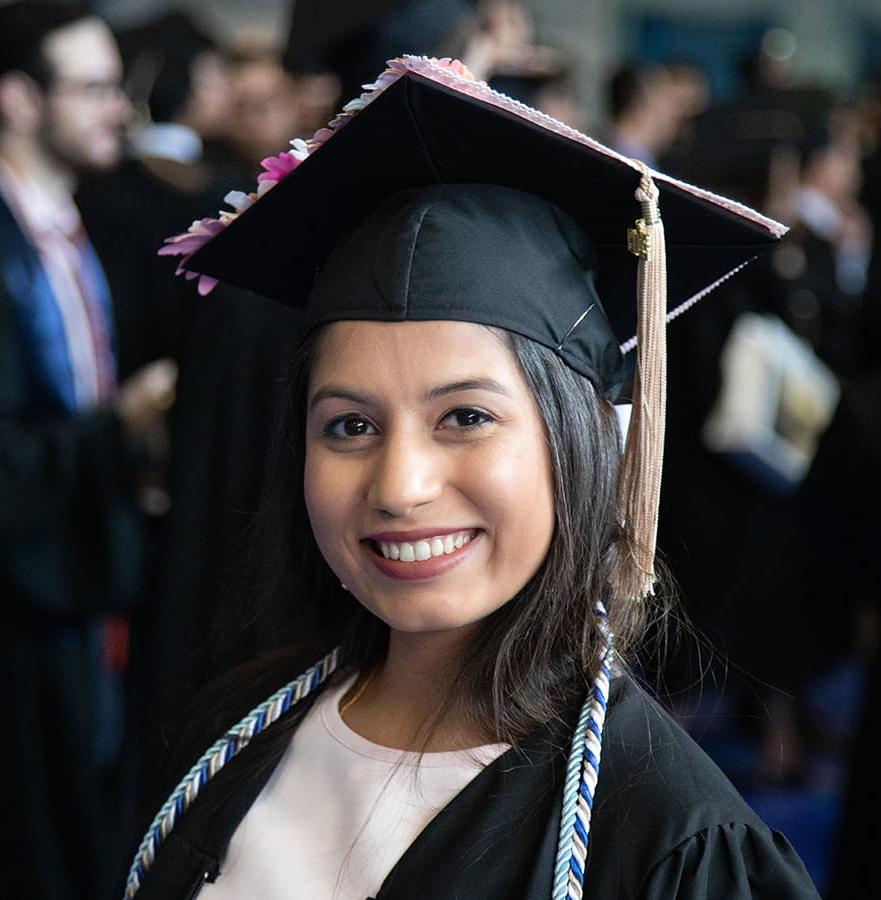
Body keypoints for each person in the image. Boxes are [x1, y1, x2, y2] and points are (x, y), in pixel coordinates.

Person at [125, 56, 819, 899]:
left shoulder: (669, 842)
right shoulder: (228, 738)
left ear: (593, 436)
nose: (400, 486)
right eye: (350, 425)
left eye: (466, 417)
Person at [0, 4, 175, 897]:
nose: (121, 109)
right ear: (19, 100)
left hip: (89, 595)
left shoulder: (75, 228)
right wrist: (122, 426)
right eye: (95, 89)